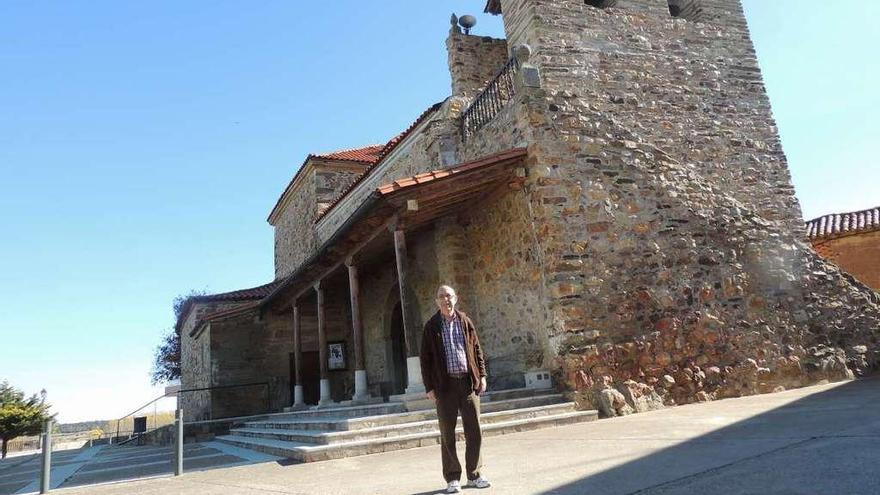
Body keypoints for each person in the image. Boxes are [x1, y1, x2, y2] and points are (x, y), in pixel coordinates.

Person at [420, 285, 491, 493]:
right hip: (444, 387)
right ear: (437, 301)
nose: (446, 300)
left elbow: (477, 349)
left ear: (456, 298)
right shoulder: (431, 327)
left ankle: (475, 475)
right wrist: (429, 387)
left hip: (468, 384)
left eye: (449, 296)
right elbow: (425, 360)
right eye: (441, 297)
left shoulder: (465, 322)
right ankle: (452, 478)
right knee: (447, 434)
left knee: (474, 431)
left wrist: (482, 376)